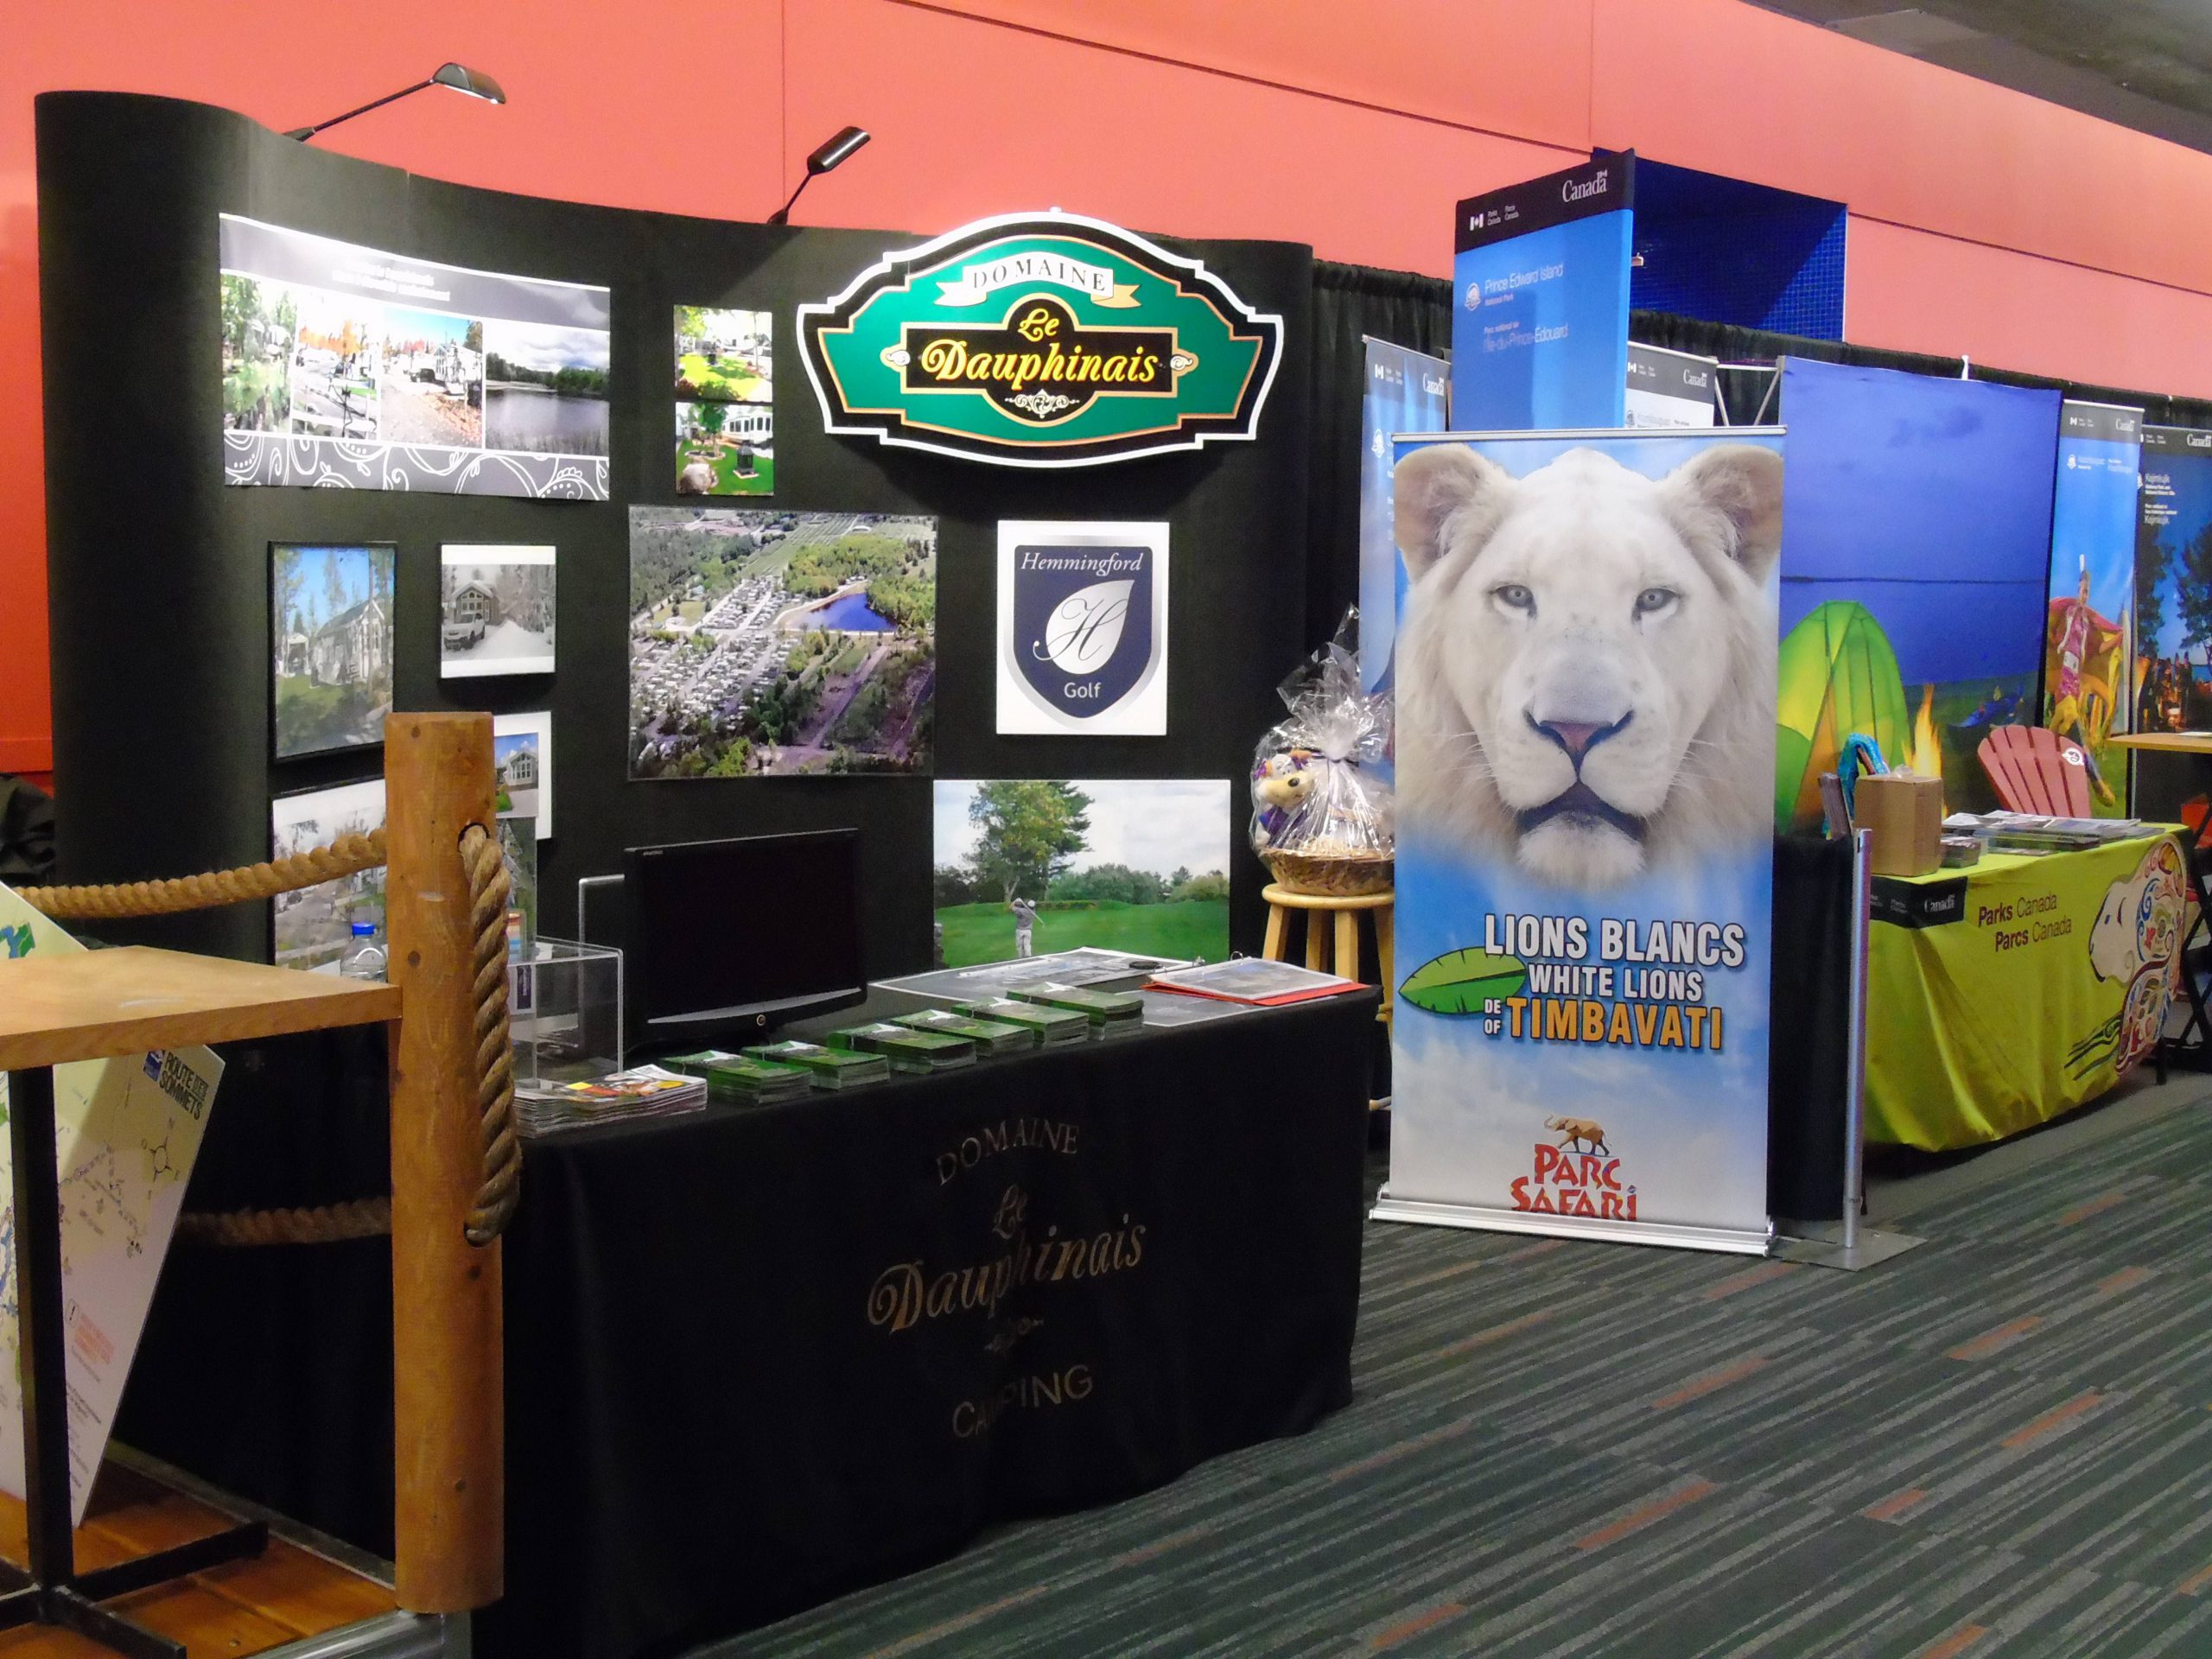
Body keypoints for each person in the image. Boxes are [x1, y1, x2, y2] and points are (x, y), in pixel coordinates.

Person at [2046, 557, 2121, 805]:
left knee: (2059, 734)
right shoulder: (2067, 611)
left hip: (2075, 681)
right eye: (2082, 589)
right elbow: (2054, 634)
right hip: (2064, 677)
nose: (2084, 595)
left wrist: (2119, 638)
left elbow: (2098, 648)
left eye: (2087, 591)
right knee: (2072, 726)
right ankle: (2097, 782)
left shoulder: (2087, 621)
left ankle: (2049, 779)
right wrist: (2056, 643)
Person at [1008, 893, 1038, 958]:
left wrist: (1015, 901)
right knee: (1027, 945)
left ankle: (1020, 958)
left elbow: (1011, 907)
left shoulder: (1021, 911)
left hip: (1020, 930)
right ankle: (1028, 957)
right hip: (1028, 931)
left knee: (1019, 946)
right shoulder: (1033, 912)